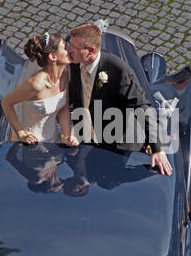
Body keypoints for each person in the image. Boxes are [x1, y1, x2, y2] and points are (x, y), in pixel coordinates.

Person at [66, 23, 172, 176]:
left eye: (75, 48)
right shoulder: (76, 62)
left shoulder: (118, 70)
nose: (70, 50)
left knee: (108, 180)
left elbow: (141, 107)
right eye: (70, 45)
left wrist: (157, 149)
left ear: (91, 51)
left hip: (117, 140)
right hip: (87, 135)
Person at [1, 32, 79, 146]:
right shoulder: (36, 84)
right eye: (65, 48)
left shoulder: (64, 73)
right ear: (53, 57)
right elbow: (6, 103)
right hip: (31, 144)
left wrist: (67, 136)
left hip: (53, 140)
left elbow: (63, 107)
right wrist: (21, 134)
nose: (70, 50)